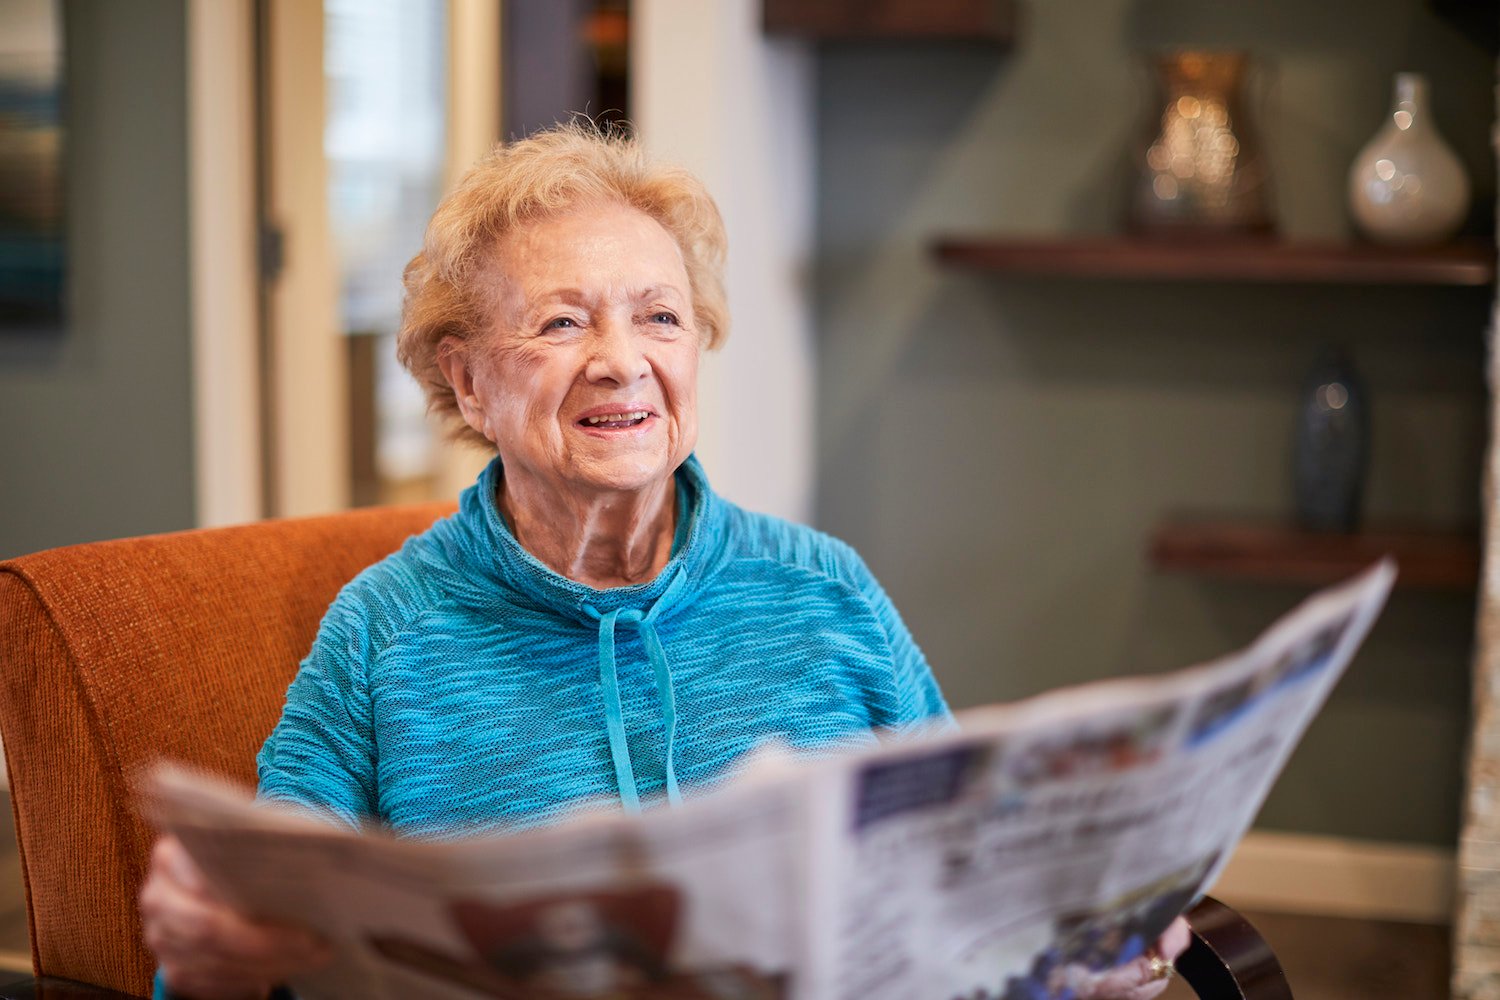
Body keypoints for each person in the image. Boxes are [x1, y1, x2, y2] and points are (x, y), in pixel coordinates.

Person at [138, 123, 1187, 1000]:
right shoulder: (382, 631)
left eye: (661, 316)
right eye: (561, 321)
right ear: (467, 384)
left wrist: (1080, 955)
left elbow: (968, 879)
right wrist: (210, 943)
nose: (622, 359)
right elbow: (261, 900)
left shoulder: (828, 592)